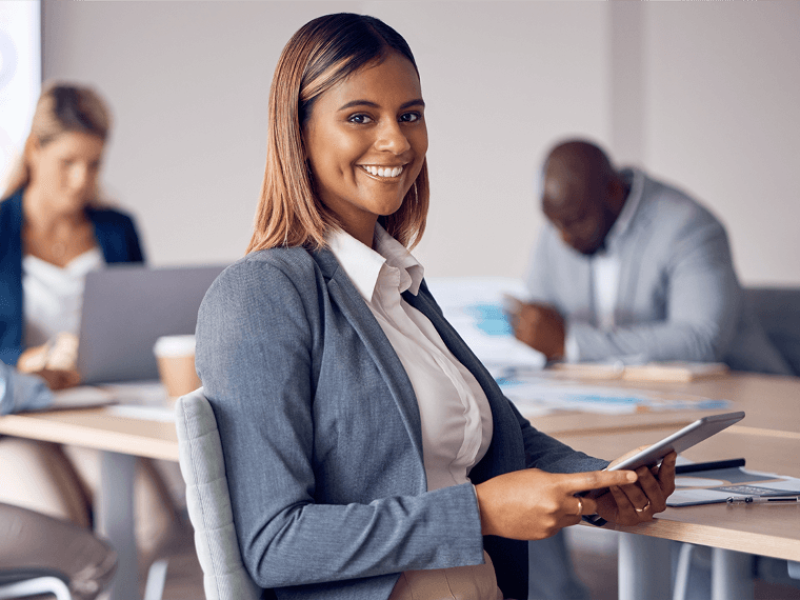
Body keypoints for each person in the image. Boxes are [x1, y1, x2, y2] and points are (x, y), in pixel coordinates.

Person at [196, 13, 676, 600]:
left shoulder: (400, 284)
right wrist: (476, 513)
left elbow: (507, 441)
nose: (397, 141)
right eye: (360, 117)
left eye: (410, 116)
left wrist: (609, 482)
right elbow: (276, 544)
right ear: (296, 133)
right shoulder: (261, 294)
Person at [0, 83, 182, 556]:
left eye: (94, 163)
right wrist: (29, 360)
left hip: (92, 410)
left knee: (150, 524)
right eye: (68, 163)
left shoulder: (116, 229)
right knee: (64, 530)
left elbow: (144, 328)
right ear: (34, 151)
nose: (82, 179)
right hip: (16, 418)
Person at [512, 139, 791, 375]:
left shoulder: (689, 227)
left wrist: (571, 343)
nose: (563, 238)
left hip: (745, 398)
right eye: (555, 224)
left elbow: (700, 342)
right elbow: (539, 324)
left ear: (612, 190)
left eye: (576, 221)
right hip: (621, 403)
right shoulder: (561, 228)